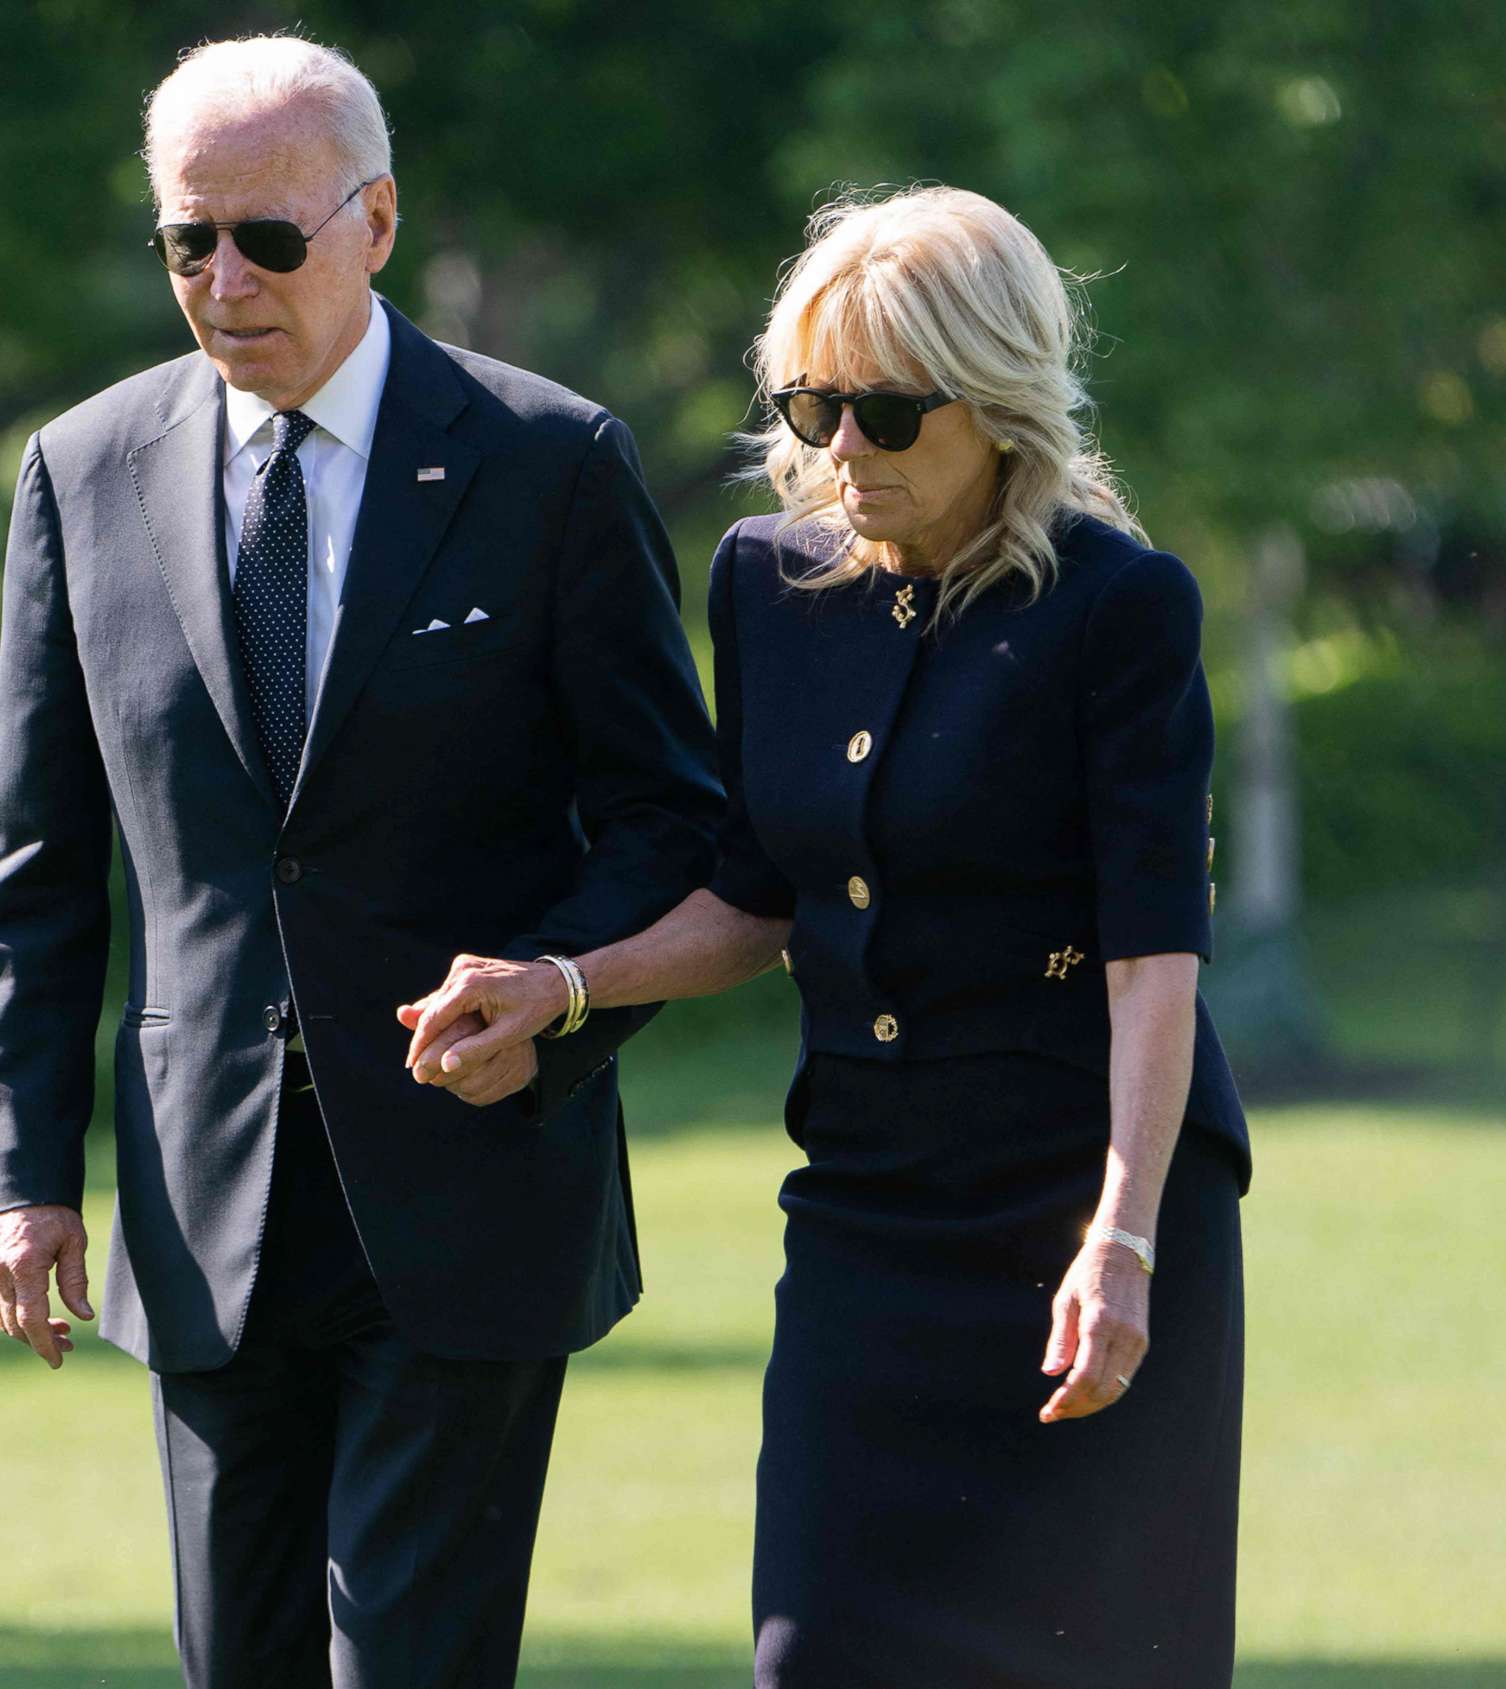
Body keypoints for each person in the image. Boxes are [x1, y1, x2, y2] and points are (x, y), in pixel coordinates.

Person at [400, 185, 1250, 1688]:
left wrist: (1123, 1237)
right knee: (812, 1654)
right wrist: (565, 984)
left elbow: (1153, 954)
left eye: (885, 413)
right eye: (812, 402)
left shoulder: (1124, 611)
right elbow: (755, 892)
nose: (839, 449)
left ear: (996, 406)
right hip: (866, 1217)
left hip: (1082, 1220)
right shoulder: (767, 584)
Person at [0, 34, 721, 1689]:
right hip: (202, 1211)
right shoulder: (79, 474)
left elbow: (673, 823)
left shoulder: (550, 466)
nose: (224, 280)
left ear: (374, 221)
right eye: (187, 241)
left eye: (270, 239)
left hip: (471, 1188)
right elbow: (35, 861)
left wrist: (560, 993)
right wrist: (19, 1173)